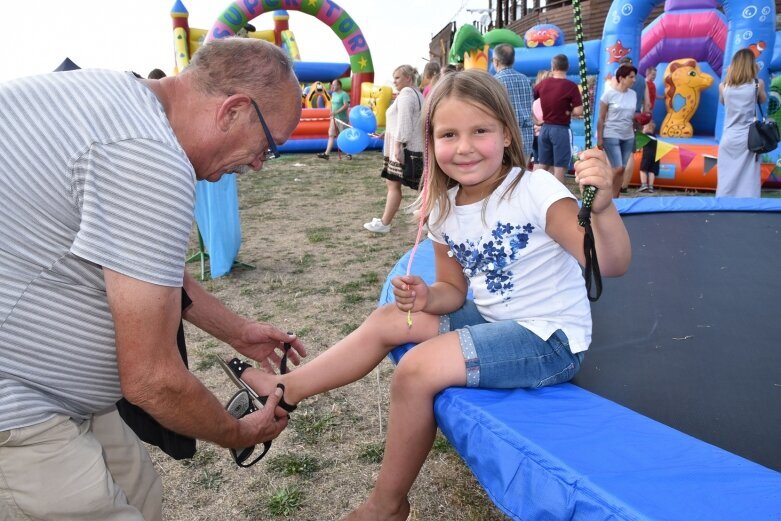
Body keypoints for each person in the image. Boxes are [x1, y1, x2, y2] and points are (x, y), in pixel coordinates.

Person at [239, 70, 631, 520]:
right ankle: (287, 390)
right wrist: (427, 296)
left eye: (479, 131)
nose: (464, 147)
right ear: (431, 142)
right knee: (389, 318)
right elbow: (453, 290)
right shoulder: (446, 208)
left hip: (549, 340)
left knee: (416, 371)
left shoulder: (534, 189)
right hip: (491, 321)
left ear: (506, 133)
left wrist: (601, 208)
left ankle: (386, 505)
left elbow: (611, 263)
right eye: (449, 135)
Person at [0, 37, 307, 520]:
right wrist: (240, 432)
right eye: (267, 146)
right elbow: (150, 380)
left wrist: (237, 331)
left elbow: (143, 265)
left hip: (57, 389)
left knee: (142, 494)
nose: (255, 164)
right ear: (233, 111)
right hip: (18, 402)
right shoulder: (149, 157)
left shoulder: (122, 100)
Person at [364, 65, 424, 234]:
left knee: (394, 184)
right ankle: (425, 218)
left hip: (404, 148)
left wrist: (397, 145)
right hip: (411, 147)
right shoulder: (417, 94)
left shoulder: (406, 94)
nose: (395, 81)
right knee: (418, 185)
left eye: (398, 77)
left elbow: (405, 122)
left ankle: (385, 223)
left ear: (408, 79)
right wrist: (387, 134)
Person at [717, 48, 766, 197]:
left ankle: (723, 207)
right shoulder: (758, 84)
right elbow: (762, 99)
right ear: (752, 65)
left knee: (726, 178)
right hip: (749, 139)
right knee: (749, 179)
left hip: (729, 138)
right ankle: (749, 209)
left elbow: (723, 102)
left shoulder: (723, 87)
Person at [533, 54, 584, 182]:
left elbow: (532, 98)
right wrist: (568, 111)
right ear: (567, 67)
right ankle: (558, 197)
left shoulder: (543, 84)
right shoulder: (571, 86)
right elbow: (579, 111)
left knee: (543, 164)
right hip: (561, 129)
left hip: (545, 129)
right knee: (559, 167)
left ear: (553, 67)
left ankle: (533, 189)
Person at [597, 63, 639, 197]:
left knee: (622, 169)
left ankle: (615, 197)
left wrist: (639, 121)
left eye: (634, 77)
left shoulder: (633, 94)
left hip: (628, 136)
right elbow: (601, 118)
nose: (634, 80)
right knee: (618, 167)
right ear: (621, 78)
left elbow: (631, 116)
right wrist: (599, 138)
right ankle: (601, 191)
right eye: (631, 77)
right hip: (611, 134)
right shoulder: (608, 94)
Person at [492, 43, 534, 161]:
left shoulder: (494, 82)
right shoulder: (525, 79)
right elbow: (531, 106)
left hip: (505, 138)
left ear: (496, 61)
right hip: (526, 137)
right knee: (523, 176)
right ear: (513, 60)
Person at [317, 79, 351, 160]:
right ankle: (326, 154)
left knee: (343, 136)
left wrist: (335, 112)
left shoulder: (344, 94)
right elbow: (332, 105)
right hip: (334, 119)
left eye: (334, 85)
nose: (332, 86)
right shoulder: (334, 94)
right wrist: (331, 113)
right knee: (331, 135)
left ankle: (348, 153)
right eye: (332, 85)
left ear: (339, 86)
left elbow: (346, 106)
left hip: (342, 119)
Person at [531, 70, 550, 164]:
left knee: (537, 161)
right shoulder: (548, 102)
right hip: (544, 136)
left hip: (536, 136)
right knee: (547, 164)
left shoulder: (534, 102)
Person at [638, 120, 659, 193]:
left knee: (643, 169)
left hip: (647, 155)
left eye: (643, 127)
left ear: (648, 128)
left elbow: (639, 145)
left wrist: (638, 149)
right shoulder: (655, 138)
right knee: (651, 171)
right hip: (656, 155)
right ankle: (651, 187)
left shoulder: (645, 136)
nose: (643, 129)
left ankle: (644, 185)